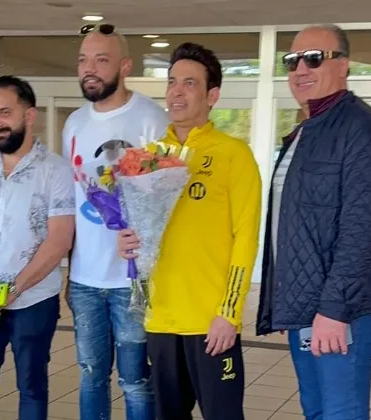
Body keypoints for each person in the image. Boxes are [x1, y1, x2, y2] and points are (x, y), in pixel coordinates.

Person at [255, 25, 371, 420]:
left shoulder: (363, 130)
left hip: (342, 312)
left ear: (344, 65)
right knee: (316, 411)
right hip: (308, 309)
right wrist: (285, 300)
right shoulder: (306, 130)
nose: (300, 68)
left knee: (341, 414)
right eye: (292, 61)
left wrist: (335, 311)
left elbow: (364, 231)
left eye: (314, 58)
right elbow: (295, 223)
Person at [118, 42, 261, 420]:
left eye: (190, 83)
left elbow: (246, 239)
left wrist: (229, 313)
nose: (176, 92)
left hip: (210, 323)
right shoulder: (148, 157)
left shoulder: (233, 154)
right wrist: (127, 242)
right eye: (172, 82)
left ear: (212, 95)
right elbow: (140, 230)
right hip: (161, 320)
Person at [0, 75, 75, 420]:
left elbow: (60, 239)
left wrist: (14, 289)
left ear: (29, 115)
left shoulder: (55, 170)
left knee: (32, 388)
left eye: (5, 112)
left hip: (33, 300)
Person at [62, 24, 168, 420]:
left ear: (125, 66)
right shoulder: (74, 123)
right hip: (85, 280)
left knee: (135, 380)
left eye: (101, 60)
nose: (89, 68)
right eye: (83, 60)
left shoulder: (151, 119)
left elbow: (165, 204)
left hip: (132, 282)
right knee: (91, 375)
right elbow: (73, 200)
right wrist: (69, 272)